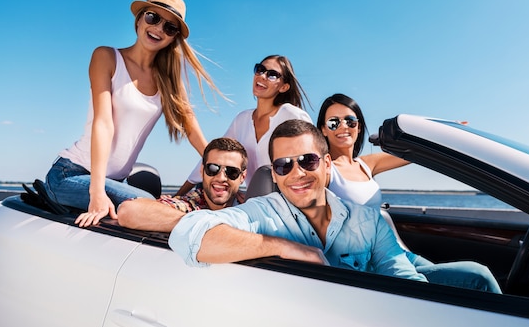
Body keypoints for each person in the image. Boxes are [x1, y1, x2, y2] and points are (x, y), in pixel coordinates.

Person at [43, 0, 223, 228]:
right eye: (153, 17)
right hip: (71, 175)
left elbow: (193, 132)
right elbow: (103, 124)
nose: (158, 28)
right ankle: (208, 228)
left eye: (169, 27)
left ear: (173, 37)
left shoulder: (168, 81)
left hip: (115, 180)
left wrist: (224, 171)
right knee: (147, 204)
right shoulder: (106, 57)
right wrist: (96, 193)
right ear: (139, 19)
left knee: (152, 204)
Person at [169, 119, 427, 282]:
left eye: (308, 160)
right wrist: (285, 247)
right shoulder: (263, 214)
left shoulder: (368, 220)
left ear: (326, 164)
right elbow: (189, 234)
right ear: (274, 174)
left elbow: (406, 282)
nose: (297, 173)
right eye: (283, 165)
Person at [317, 93, 501, 293]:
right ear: (323, 130)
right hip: (371, 262)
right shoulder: (325, 170)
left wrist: (448, 132)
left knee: (456, 293)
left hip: (399, 253)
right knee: (478, 276)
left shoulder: (366, 164)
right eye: (334, 122)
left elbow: (413, 153)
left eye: (350, 121)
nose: (343, 126)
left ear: (359, 127)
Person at [176, 55, 312, 195]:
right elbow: (216, 156)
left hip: (291, 199)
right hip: (254, 201)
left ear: (284, 87)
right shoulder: (242, 119)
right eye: (260, 69)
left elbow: (312, 162)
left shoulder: (292, 115)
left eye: (272, 75)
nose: (263, 76)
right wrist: (179, 195)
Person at [117, 138, 247, 232]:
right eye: (213, 168)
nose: (221, 177)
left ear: (242, 177)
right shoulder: (192, 205)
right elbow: (128, 211)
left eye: (232, 172)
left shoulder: (250, 208)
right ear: (202, 171)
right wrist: (207, 223)